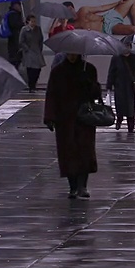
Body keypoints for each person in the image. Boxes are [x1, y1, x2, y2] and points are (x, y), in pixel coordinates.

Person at [44, 53, 101, 199]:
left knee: (85, 151)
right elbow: (51, 94)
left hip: (84, 118)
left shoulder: (89, 69)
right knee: (68, 152)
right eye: (69, 52)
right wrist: (49, 117)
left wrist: (88, 83)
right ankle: (73, 187)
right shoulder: (58, 71)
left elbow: (96, 94)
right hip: (65, 119)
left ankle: (83, 186)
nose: (71, 55)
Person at [63, 0, 135, 35]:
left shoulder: (83, 10)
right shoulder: (71, 25)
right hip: (108, 27)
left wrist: (117, 3)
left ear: (73, 7)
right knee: (134, 30)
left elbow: (102, 8)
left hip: (108, 17)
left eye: (71, 9)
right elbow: (54, 31)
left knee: (132, 0)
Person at [106, 43, 135, 133]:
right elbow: (111, 72)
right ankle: (119, 120)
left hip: (130, 86)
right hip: (119, 85)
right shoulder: (116, 58)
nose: (126, 48)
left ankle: (131, 127)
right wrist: (109, 85)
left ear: (130, 47)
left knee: (130, 107)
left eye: (128, 46)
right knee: (119, 105)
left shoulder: (134, 58)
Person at [19, 14, 46, 93]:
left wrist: (40, 48)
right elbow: (21, 41)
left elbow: (41, 39)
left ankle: (34, 84)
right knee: (30, 70)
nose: (33, 23)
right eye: (32, 21)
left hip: (37, 51)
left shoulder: (38, 29)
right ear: (28, 22)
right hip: (29, 52)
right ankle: (31, 86)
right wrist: (26, 48)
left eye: (34, 21)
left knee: (37, 69)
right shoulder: (24, 29)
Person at [5, 0, 24, 67]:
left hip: (15, 42)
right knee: (15, 60)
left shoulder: (16, 14)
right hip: (15, 41)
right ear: (15, 6)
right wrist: (22, 24)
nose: (20, 7)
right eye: (18, 5)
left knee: (16, 60)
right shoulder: (13, 14)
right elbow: (15, 25)